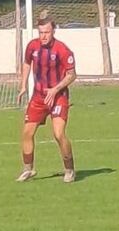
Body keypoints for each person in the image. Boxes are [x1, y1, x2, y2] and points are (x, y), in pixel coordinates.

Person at [16, 18, 76, 183]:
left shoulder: (62, 50)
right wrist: (23, 86)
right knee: (27, 133)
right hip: (38, 97)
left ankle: (69, 169)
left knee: (58, 134)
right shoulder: (32, 46)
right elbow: (27, 63)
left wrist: (55, 89)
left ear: (53, 31)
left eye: (47, 32)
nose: (43, 36)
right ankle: (28, 169)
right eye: (41, 32)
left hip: (58, 98)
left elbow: (72, 75)